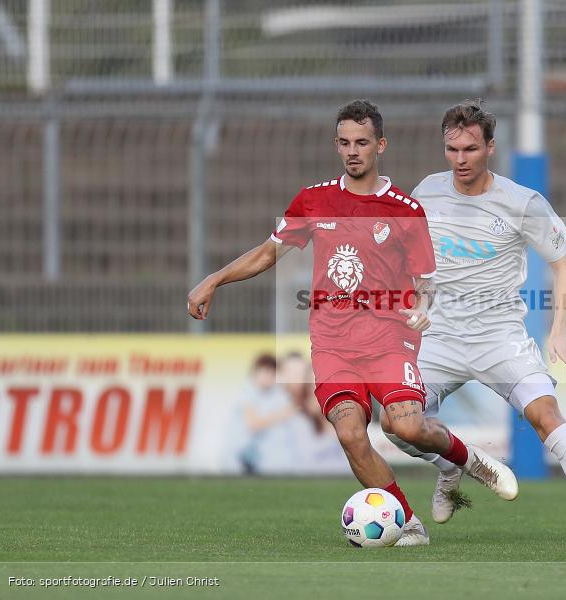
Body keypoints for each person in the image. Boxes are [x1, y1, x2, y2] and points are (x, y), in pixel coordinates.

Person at [187, 99, 518, 546]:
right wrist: (214, 279)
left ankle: (467, 458)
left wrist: (422, 306)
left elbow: (426, 281)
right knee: (350, 433)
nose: (352, 151)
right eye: (344, 142)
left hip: (388, 339)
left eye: (362, 142)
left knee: (406, 427)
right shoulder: (314, 200)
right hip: (333, 343)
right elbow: (268, 254)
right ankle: (408, 521)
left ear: (380, 144)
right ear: (336, 145)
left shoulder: (404, 210)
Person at [381, 99, 566, 545]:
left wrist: (559, 333)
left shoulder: (523, 202)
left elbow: (563, 264)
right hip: (437, 337)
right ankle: (450, 466)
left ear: (491, 148)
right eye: (452, 150)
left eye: (470, 149)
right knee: (395, 423)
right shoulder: (426, 191)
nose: (460, 160)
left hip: (498, 339)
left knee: (546, 415)